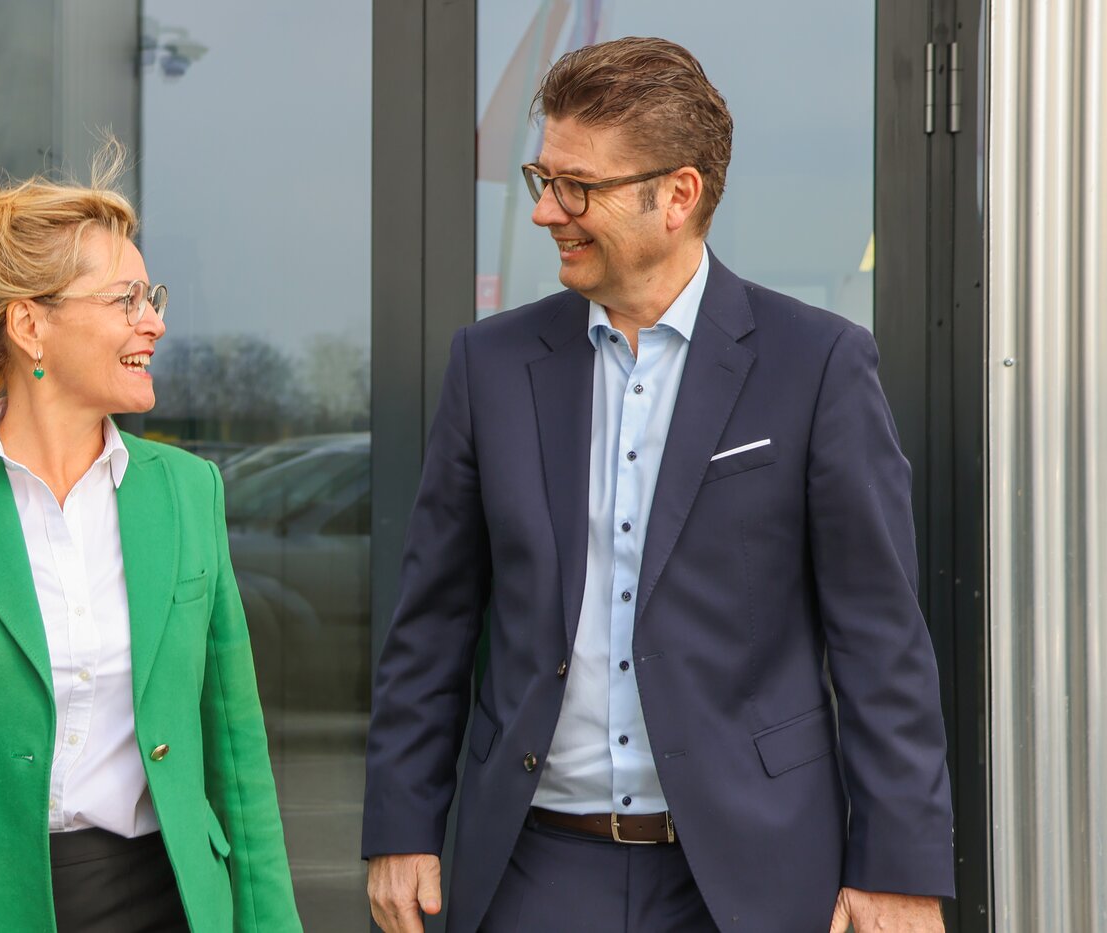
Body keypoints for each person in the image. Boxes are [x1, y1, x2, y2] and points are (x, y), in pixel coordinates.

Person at [362, 37, 953, 933]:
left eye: (578, 187)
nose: (546, 212)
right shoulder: (491, 364)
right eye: (542, 177)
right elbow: (433, 619)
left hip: (754, 874)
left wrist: (898, 870)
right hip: (534, 866)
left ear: (678, 195)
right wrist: (402, 824)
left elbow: (880, 638)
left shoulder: (818, 364)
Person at [0, 147, 302, 933]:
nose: (156, 321)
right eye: (126, 299)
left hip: (167, 899)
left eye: (153, 296)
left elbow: (236, 752)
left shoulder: (187, 491)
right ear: (31, 324)